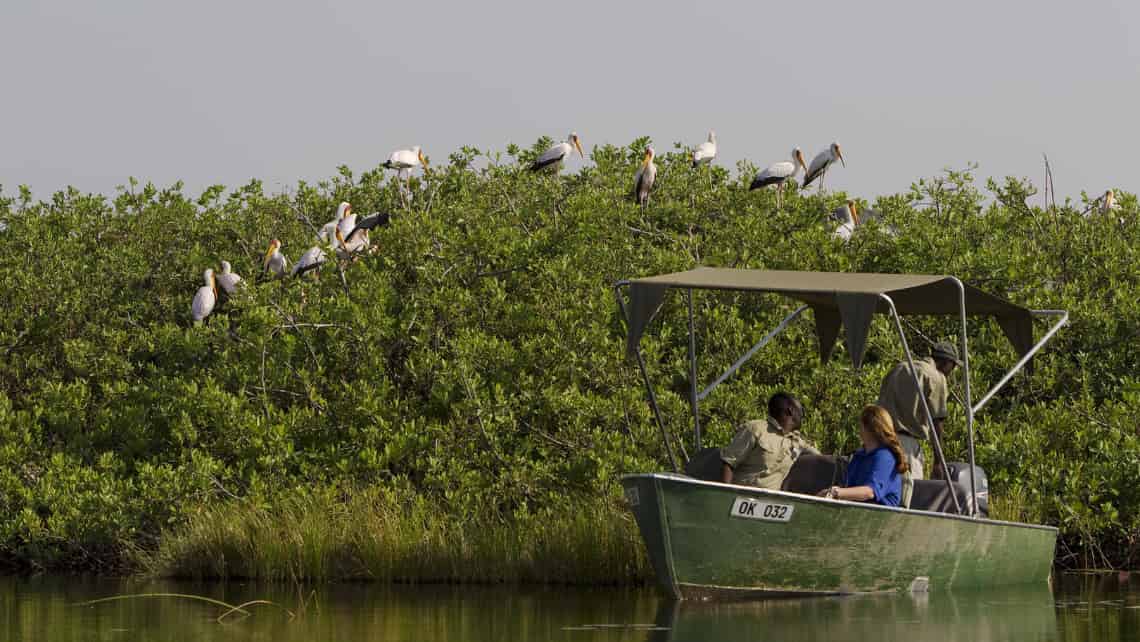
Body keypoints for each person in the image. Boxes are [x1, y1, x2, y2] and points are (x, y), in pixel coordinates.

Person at [876, 341, 960, 484]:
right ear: (946, 362)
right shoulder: (936, 377)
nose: (952, 371)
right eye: (953, 366)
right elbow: (937, 422)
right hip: (905, 446)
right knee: (907, 494)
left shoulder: (900, 367)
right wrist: (938, 462)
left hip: (879, 439)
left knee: (880, 490)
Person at [817, 405, 909, 507]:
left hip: (878, 518)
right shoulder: (859, 456)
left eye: (861, 425)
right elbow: (848, 487)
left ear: (870, 428)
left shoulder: (885, 457)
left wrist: (835, 493)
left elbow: (869, 492)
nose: (859, 429)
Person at [720, 392, 816, 489]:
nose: (802, 416)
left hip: (769, 500)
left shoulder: (797, 441)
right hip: (741, 496)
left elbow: (821, 458)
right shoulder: (756, 428)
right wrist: (726, 494)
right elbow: (729, 462)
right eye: (801, 411)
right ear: (790, 410)